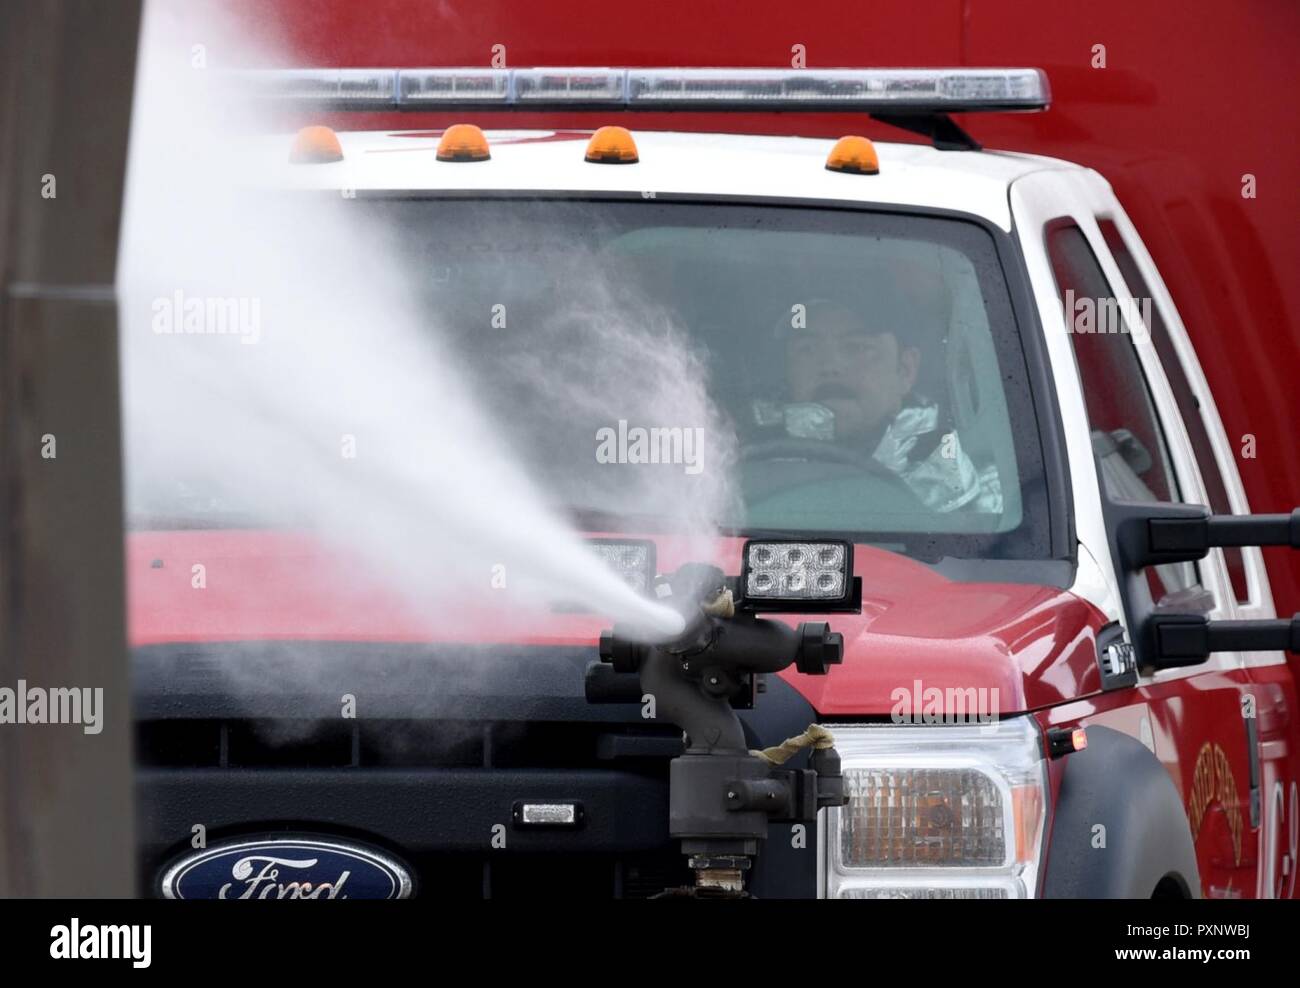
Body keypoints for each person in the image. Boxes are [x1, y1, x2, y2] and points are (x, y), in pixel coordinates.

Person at [748, 297, 1002, 513]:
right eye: (807, 349)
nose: (829, 366)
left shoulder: (973, 492)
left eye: (857, 348)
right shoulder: (737, 461)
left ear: (905, 370)